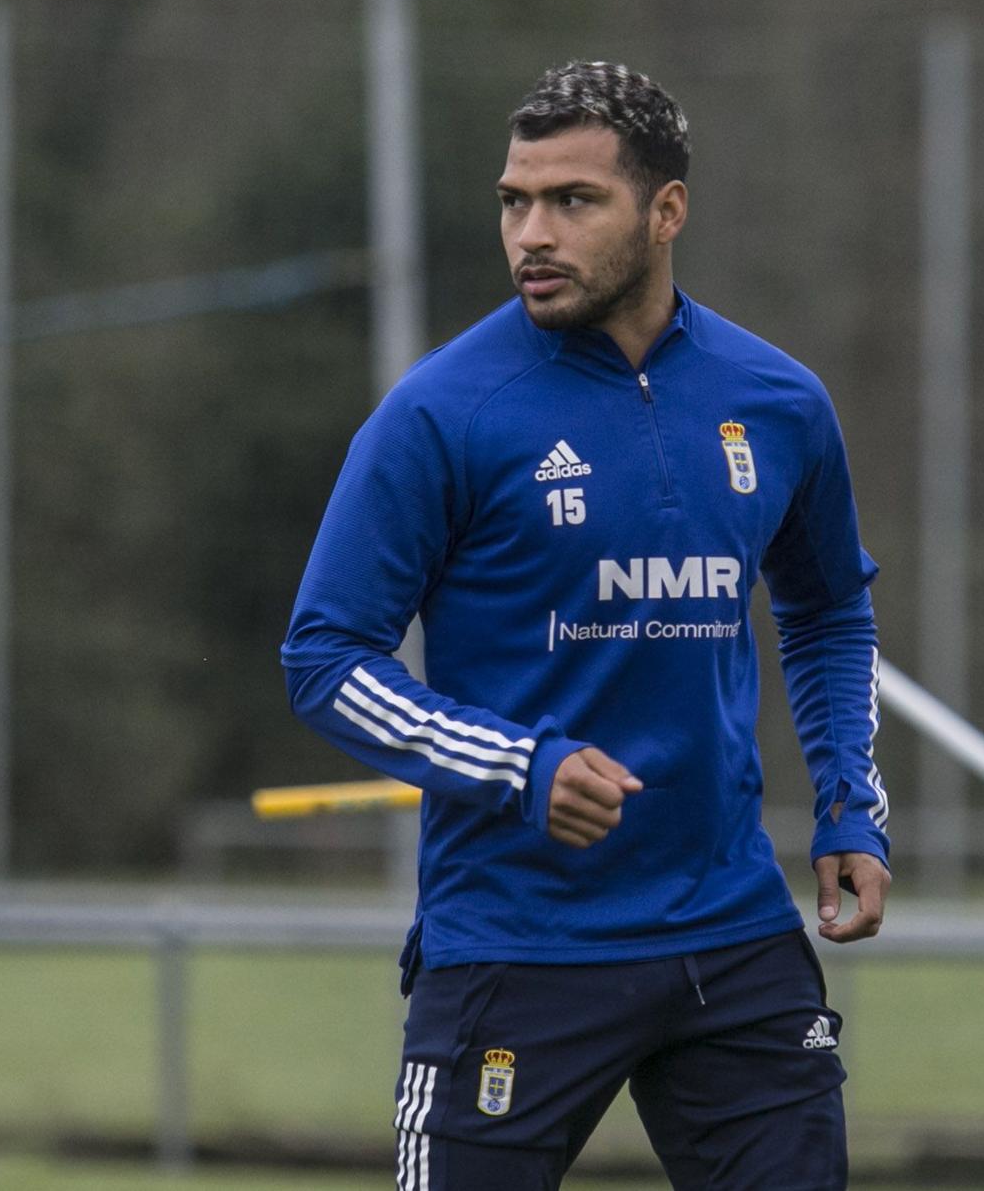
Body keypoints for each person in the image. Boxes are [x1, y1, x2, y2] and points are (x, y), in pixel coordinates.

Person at [282, 61, 889, 1190]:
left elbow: (825, 609)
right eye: (514, 200)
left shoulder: (780, 401)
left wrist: (849, 797)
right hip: (517, 942)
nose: (531, 233)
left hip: (728, 927)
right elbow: (323, 660)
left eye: (572, 200)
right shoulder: (438, 412)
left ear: (665, 211)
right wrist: (521, 765)